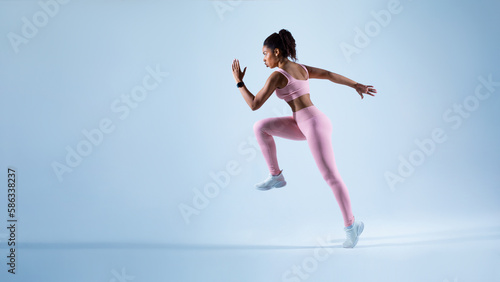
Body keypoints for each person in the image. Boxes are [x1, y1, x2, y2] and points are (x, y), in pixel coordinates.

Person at [231, 29, 376, 248]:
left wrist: (239, 82)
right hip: (303, 122)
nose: (263, 59)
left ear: (277, 52)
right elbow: (328, 74)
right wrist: (355, 84)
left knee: (331, 177)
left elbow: (254, 104)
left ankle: (351, 227)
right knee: (261, 127)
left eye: (265, 54)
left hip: (314, 125)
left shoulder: (278, 75)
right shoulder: (300, 68)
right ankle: (276, 176)